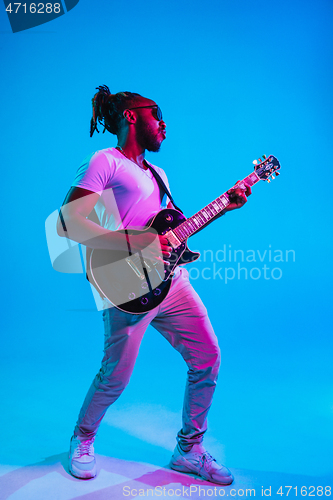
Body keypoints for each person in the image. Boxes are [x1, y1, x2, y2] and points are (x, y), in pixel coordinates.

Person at [57, 85, 251, 484]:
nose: (163, 123)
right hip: (127, 284)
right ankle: (83, 436)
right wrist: (138, 242)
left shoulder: (158, 174)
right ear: (131, 116)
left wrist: (225, 207)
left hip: (172, 282)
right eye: (156, 114)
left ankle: (189, 450)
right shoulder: (104, 162)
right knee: (116, 376)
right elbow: (70, 223)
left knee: (207, 357)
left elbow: (171, 235)